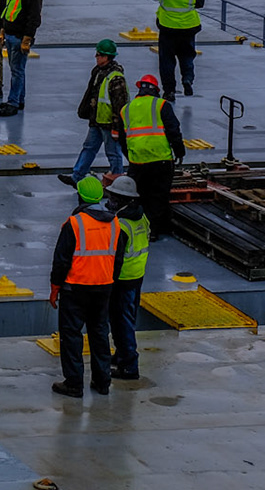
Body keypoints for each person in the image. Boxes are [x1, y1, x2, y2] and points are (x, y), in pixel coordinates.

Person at [48, 174, 125, 398]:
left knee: (72, 336)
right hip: (103, 287)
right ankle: (102, 382)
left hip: (75, 288)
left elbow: (61, 260)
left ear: (80, 196)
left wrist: (55, 288)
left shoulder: (74, 223)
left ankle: (74, 384)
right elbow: (118, 259)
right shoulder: (115, 224)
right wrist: (110, 280)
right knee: (99, 333)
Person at [119, 74, 185, 237]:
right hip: (160, 160)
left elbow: (122, 139)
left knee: (139, 195)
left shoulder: (126, 109)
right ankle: (154, 230)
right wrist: (179, 151)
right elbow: (173, 130)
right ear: (156, 90)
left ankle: (139, 229)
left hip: (137, 162)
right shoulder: (161, 105)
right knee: (158, 196)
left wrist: (131, 157)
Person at [59, 39, 128, 185]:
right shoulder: (98, 72)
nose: (96, 57)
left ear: (106, 57)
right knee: (89, 148)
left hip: (108, 123)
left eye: (99, 54)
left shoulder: (116, 78)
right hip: (97, 120)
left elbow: (120, 106)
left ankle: (117, 183)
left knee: (113, 154)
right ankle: (77, 176)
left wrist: (116, 128)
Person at [104, 175, 151, 381]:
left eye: (114, 197)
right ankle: (122, 354)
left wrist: (108, 281)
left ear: (123, 200)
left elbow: (116, 258)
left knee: (121, 322)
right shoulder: (141, 217)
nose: (110, 201)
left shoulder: (121, 225)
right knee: (127, 319)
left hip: (122, 280)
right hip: (136, 276)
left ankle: (129, 366)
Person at [156, 0, 206, 100]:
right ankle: (187, 79)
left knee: (166, 61)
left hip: (167, 28)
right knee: (187, 57)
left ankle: (169, 91)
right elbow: (200, 3)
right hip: (188, 29)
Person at [0, 0, 42, 114]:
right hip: (10, 35)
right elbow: (9, 10)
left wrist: (27, 38)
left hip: (19, 37)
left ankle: (13, 102)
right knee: (16, 70)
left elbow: (34, 19)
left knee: (17, 71)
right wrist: (3, 29)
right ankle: (18, 100)